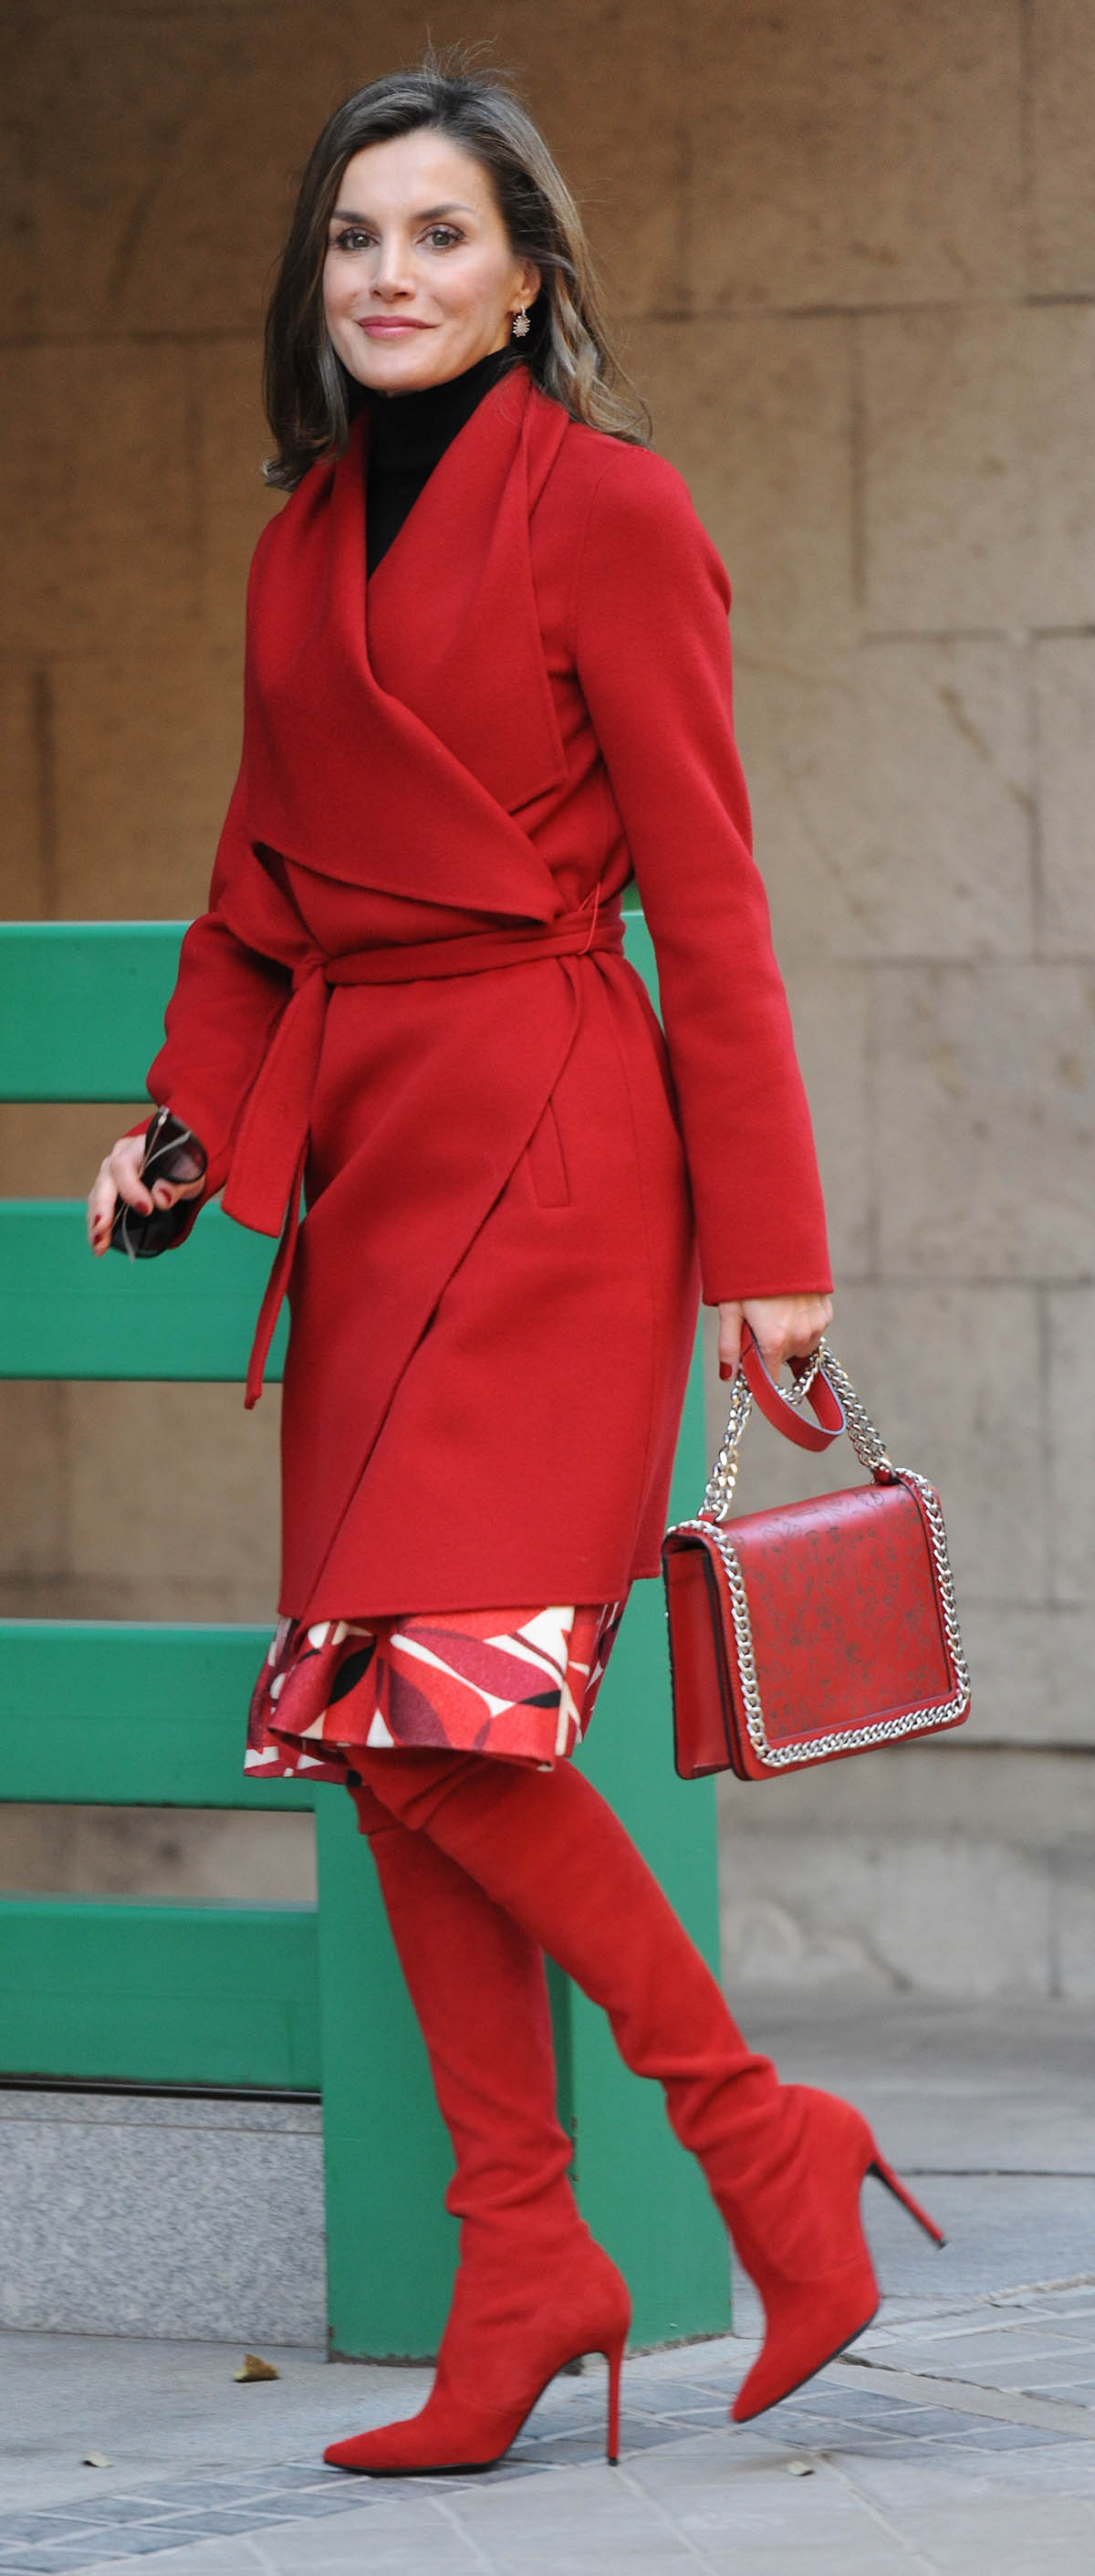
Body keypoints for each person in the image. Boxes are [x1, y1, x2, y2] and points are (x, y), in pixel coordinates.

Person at [86, 58, 941, 2476]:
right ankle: (529, 2256)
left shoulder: (617, 516)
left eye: (440, 236)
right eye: (356, 238)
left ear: (527, 275)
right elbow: (259, 894)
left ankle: (761, 2149)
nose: (390, 275)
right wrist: (174, 1145)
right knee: (381, 1726)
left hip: (566, 1154)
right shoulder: (294, 554)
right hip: (371, 1176)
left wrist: (773, 1251)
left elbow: (715, 888)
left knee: (448, 1711)